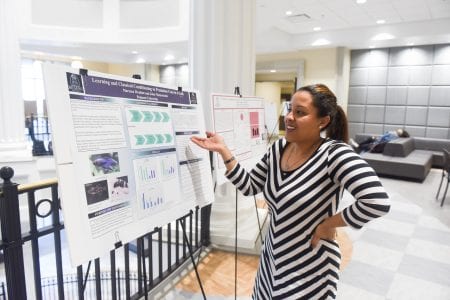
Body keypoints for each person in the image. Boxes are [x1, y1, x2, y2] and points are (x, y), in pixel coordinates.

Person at [191, 84, 390, 299]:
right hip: (272, 261)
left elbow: (376, 202)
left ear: (323, 121)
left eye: (300, 112)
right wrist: (223, 150)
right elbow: (249, 186)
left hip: (309, 268)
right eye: (289, 109)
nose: (289, 117)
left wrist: (327, 225)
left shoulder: (335, 154)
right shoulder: (279, 149)